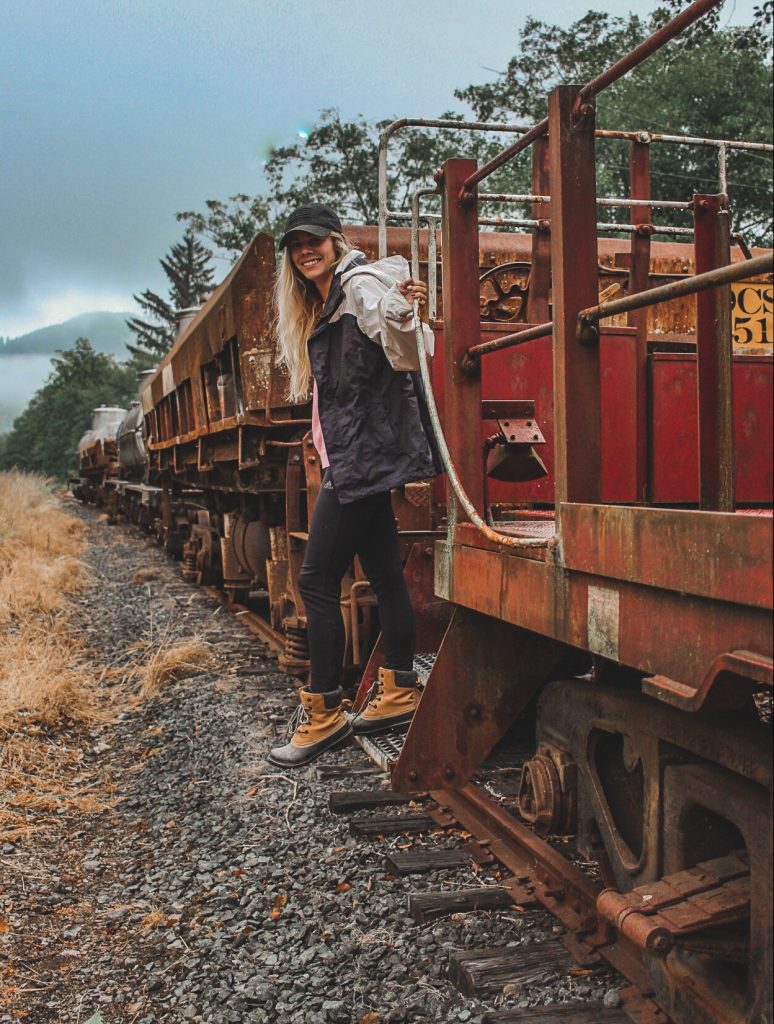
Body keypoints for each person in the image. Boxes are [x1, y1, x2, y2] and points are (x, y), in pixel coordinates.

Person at [268, 203, 439, 768]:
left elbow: (409, 342)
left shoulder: (359, 285)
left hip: (359, 463)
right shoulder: (333, 297)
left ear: (336, 241)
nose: (304, 252)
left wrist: (403, 310)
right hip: (357, 456)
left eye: (313, 240)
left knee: (315, 579)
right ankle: (399, 689)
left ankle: (324, 713)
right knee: (387, 573)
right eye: (295, 247)